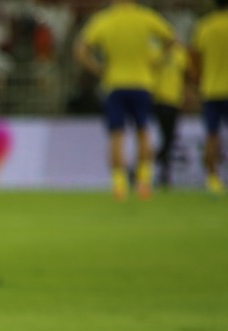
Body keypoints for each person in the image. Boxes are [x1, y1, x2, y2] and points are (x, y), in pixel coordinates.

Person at [74, 0, 175, 200]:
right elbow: (171, 40)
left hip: (115, 84)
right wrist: (156, 61)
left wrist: (98, 69)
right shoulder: (146, 17)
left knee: (116, 135)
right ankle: (143, 181)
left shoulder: (105, 19)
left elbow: (80, 49)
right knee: (143, 132)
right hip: (142, 83)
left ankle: (119, 184)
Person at [192, 0, 228, 194]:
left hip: (212, 89)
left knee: (211, 136)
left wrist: (198, 81)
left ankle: (213, 178)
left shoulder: (205, 26)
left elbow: (195, 58)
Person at [151, 41, 188, 188]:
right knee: (166, 137)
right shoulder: (156, 52)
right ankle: (158, 170)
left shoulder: (180, 54)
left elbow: (184, 76)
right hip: (159, 99)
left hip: (174, 100)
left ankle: (160, 171)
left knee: (169, 138)